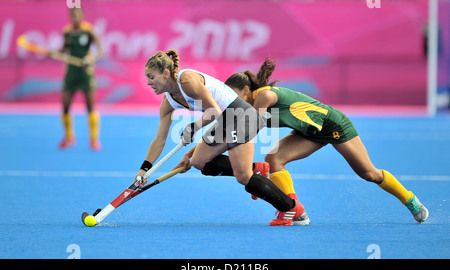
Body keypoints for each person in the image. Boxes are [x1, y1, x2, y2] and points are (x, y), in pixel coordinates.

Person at [223, 57, 429, 224]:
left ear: (245, 91)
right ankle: (294, 210)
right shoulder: (247, 106)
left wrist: (248, 170)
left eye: (234, 96)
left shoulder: (264, 96)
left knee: (369, 173)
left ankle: (410, 200)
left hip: (333, 125)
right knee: (274, 159)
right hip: (309, 132)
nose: (232, 101)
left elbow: (247, 131)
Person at [135, 49, 308, 226]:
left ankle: (291, 209)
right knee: (199, 161)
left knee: (243, 176)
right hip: (225, 120)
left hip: (241, 116)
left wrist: (193, 127)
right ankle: (256, 168)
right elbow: (159, 139)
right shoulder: (167, 103)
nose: (148, 82)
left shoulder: (186, 80)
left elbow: (214, 111)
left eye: (151, 77)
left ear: (165, 73)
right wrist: (144, 169)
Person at [56, 7, 103, 151]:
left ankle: (94, 140)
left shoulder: (89, 30)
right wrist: (55, 52)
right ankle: (69, 137)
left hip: (85, 73)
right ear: (70, 17)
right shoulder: (67, 32)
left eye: (78, 15)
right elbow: (64, 50)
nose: (75, 18)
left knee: (90, 107)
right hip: (71, 72)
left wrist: (91, 58)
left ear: (82, 16)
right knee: (65, 106)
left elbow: (101, 49)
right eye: (73, 16)